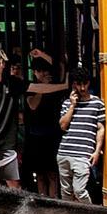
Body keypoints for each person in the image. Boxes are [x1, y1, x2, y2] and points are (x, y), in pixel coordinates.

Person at [0, 48, 70, 188]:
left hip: (8, 145)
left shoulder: (13, 83)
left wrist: (64, 86)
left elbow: (38, 88)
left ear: (3, 64)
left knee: (14, 185)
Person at [56, 67, 106, 203]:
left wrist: (97, 151)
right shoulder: (67, 103)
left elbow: (100, 129)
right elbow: (62, 125)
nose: (82, 87)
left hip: (83, 155)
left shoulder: (97, 103)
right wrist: (72, 105)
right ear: (74, 85)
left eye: (85, 83)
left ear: (89, 83)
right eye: (79, 84)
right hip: (64, 152)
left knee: (79, 191)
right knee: (66, 193)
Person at [22, 54, 67, 197]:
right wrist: (43, 88)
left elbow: (61, 65)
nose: (43, 73)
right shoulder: (31, 87)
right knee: (40, 174)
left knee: (53, 174)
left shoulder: (56, 85)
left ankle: (53, 201)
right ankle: (43, 200)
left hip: (53, 135)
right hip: (36, 137)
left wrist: (42, 54)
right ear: (34, 72)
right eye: (39, 71)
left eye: (45, 70)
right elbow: (32, 105)